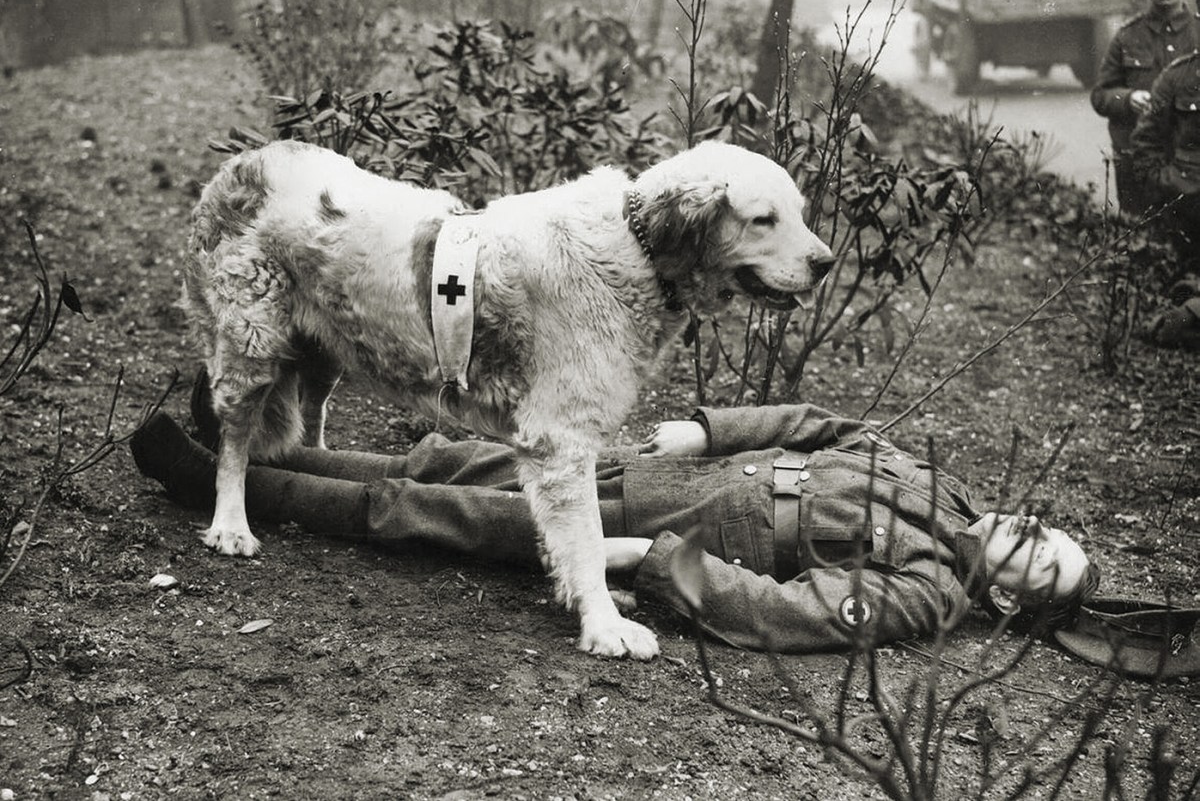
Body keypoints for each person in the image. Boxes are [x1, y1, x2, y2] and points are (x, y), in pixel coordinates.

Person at [131, 401, 1100, 654]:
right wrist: (712, 427)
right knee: (436, 461)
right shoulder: (949, 491)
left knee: (427, 511)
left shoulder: (927, 591)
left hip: (637, 523)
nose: (1023, 525)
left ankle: (214, 485)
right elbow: (826, 428)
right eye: (1042, 524)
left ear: (1009, 597)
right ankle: (242, 452)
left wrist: (656, 565)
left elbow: (787, 611)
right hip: (664, 469)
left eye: (1034, 554)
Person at [1091, 0, 1200, 215]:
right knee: (1140, 238)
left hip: (1188, 165)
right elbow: (1101, 95)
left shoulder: (1198, 31)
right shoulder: (1127, 37)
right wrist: (1128, 99)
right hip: (1136, 162)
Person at [1130, 0, 1200, 349]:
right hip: (1189, 208)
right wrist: (1167, 186)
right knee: (1170, 328)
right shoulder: (1178, 77)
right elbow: (1145, 143)